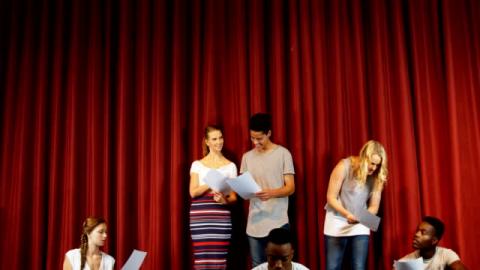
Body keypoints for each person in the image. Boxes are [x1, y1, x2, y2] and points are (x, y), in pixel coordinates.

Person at [240, 113, 295, 267]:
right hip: (254, 223)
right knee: (258, 266)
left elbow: (290, 188)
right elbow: (244, 188)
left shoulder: (283, 154)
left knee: (280, 265)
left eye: (259, 138)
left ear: (269, 133)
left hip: (278, 222)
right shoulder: (246, 157)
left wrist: (271, 193)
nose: (255, 142)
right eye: (252, 138)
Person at [323, 140, 388, 270]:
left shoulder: (377, 176)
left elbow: (374, 207)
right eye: (372, 163)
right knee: (332, 267)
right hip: (337, 219)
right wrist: (347, 214)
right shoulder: (344, 165)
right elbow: (331, 197)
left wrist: (362, 218)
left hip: (359, 221)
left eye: (377, 165)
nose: (374, 168)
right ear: (364, 156)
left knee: (359, 267)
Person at [189, 125, 238, 269]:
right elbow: (193, 192)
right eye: (214, 139)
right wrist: (211, 182)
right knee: (201, 258)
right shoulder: (197, 164)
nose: (219, 142)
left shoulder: (231, 166)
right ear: (207, 141)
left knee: (219, 259)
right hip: (199, 217)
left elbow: (233, 197)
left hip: (221, 217)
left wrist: (225, 200)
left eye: (221, 138)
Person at [395, 216, 467, 270]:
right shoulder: (406, 261)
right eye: (417, 231)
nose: (416, 234)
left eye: (423, 233)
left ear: (434, 241)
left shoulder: (446, 254)